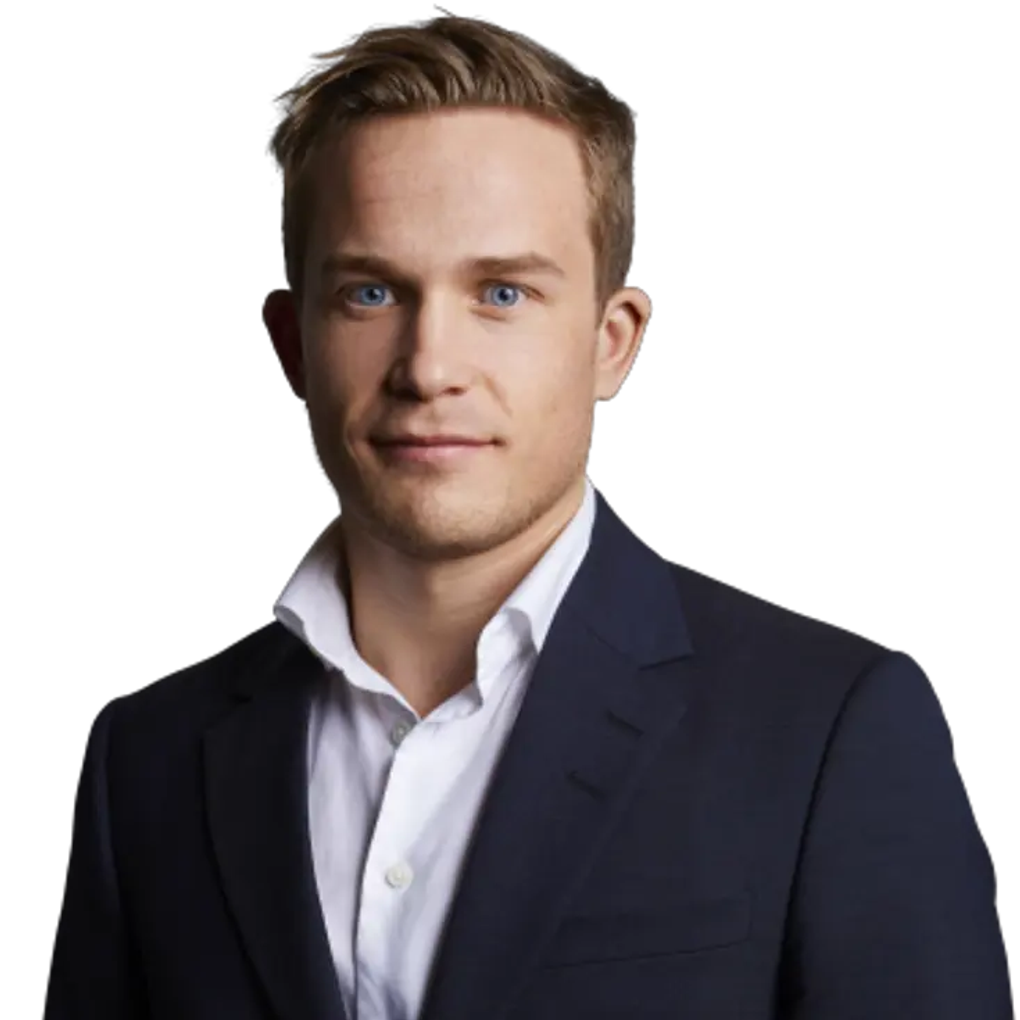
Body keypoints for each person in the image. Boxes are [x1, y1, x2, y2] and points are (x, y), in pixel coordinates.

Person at [45, 15, 1012, 1020]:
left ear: (612, 343)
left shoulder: (830, 728)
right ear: (293, 345)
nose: (430, 368)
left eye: (502, 293)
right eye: (370, 293)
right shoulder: (144, 758)